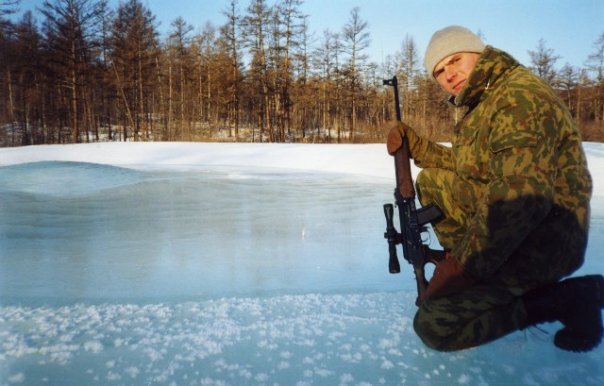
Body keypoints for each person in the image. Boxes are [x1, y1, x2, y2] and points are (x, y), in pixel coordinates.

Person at [386, 25, 603, 352]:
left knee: (435, 326)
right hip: (524, 229)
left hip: (543, 243)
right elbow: (468, 167)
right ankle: (478, 268)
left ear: (479, 53)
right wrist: (416, 145)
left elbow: (515, 205)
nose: (449, 74)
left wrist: (462, 269)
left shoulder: (516, 99)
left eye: (455, 60)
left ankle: (564, 299)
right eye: (439, 71)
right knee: (433, 181)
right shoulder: (485, 98)